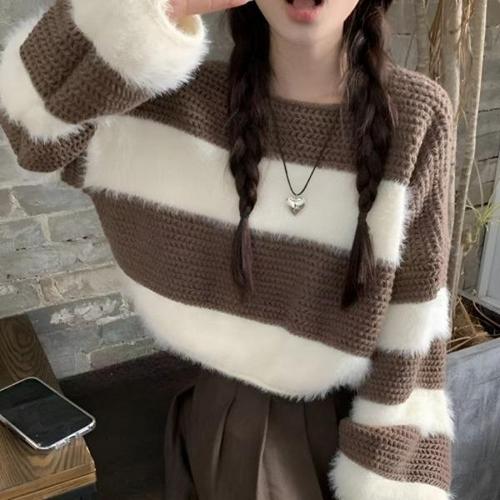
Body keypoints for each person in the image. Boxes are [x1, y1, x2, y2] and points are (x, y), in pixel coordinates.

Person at [0, 0, 456, 499]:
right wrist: (169, 4)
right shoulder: (177, 99)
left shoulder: (413, 114)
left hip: (362, 421)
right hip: (241, 430)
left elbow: (414, 316)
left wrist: (390, 476)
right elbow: (28, 128)